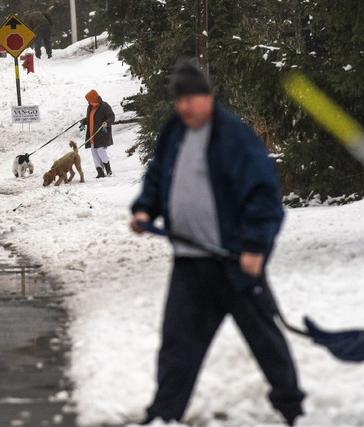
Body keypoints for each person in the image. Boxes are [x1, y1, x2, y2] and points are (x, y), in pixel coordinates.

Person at [129, 60, 305, 425]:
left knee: (265, 340)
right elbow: (159, 177)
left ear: (208, 97)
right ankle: (164, 415)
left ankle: (291, 408)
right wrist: (146, 209)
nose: (184, 106)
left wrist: (255, 248)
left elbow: (263, 196)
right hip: (190, 263)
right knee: (177, 344)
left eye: (191, 98)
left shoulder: (233, 136)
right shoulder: (174, 132)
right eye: (179, 99)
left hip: (235, 263)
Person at [80, 89, 115, 178]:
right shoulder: (90, 107)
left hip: (102, 134)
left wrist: (107, 122)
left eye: (89, 99)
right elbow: (90, 119)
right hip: (92, 135)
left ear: (93, 98)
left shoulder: (104, 106)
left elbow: (112, 117)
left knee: (101, 151)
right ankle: (100, 172)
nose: (88, 102)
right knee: (94, 153)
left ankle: (108, 170)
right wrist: (84, 121)